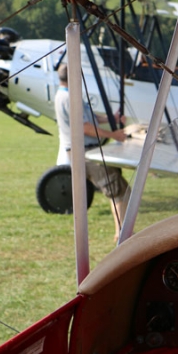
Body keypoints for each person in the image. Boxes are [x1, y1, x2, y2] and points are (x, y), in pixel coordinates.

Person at [55, 62, 129, 243]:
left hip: (87, 152)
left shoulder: (66, 96)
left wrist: (113, 118)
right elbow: (85, 127)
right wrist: (114, 135)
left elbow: (92, 118)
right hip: (87, 154)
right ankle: (122, 234)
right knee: (118, 191)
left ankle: (123, 231)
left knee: (120, 189)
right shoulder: (68, 99)